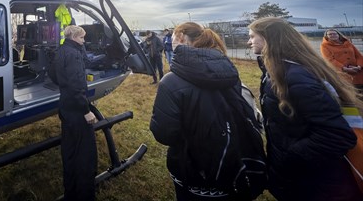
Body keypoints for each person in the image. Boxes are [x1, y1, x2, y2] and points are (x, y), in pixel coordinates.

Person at [248, 17, 362, 201]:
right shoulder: (278, 72)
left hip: (315, 182)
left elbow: (337, 135)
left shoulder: (296, 78)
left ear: (269, 38)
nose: (249, 41)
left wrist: (289, 158)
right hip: (301, 178)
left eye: (253, 36)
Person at [150, 22, 259, 200]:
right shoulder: (227, 68)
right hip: (231, 164)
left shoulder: (171, 81)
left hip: (192, 169)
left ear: (181, 38)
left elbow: (164, 134)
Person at [53, 25, 98, 201]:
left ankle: (70, 192)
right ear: (73, 37)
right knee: (86, 156)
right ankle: (85, 194)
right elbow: (77, 85)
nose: (84, 41)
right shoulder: (74, 55)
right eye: (81, 38)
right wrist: (86, 110)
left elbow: (53, 74)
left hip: (65, 107)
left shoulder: (61, 50)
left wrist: (63, 84)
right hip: (77, 111)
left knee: (69, 152)